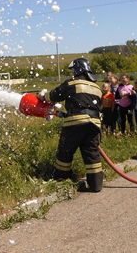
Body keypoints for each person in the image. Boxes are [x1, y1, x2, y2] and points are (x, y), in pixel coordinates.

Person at [42, 58, 103, 192]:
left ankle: (61, 181)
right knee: (92, 153)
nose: (72, 73)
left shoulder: (73, 83)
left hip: (75, 122)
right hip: (94, 124)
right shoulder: (97, 87)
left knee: (65, 152)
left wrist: (43, 96)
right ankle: (96, 184)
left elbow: (55, 95)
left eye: (73, 70)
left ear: (78, 70)